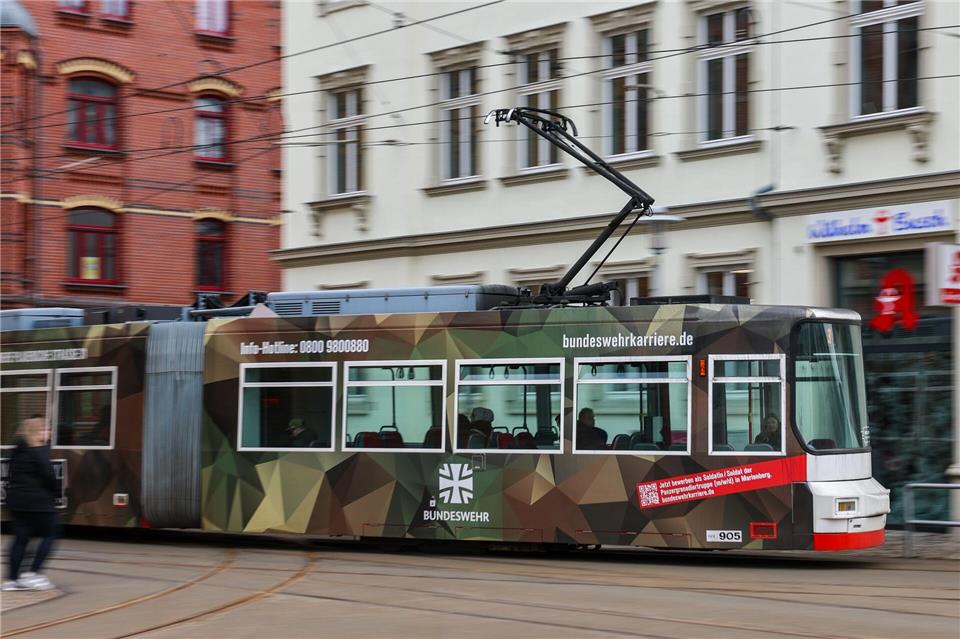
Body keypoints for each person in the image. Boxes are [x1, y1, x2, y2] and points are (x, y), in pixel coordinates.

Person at [3, 416, 59, 591]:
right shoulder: (39, 451)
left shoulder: (17, 450)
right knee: (51, 535)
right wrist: (55, 493)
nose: (48, 432)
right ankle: (32, 574)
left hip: (17, 502)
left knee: (21, 539)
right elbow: (49, 475)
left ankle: (12, 580)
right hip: (39, 503)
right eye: (45, 429)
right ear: (37, 431)